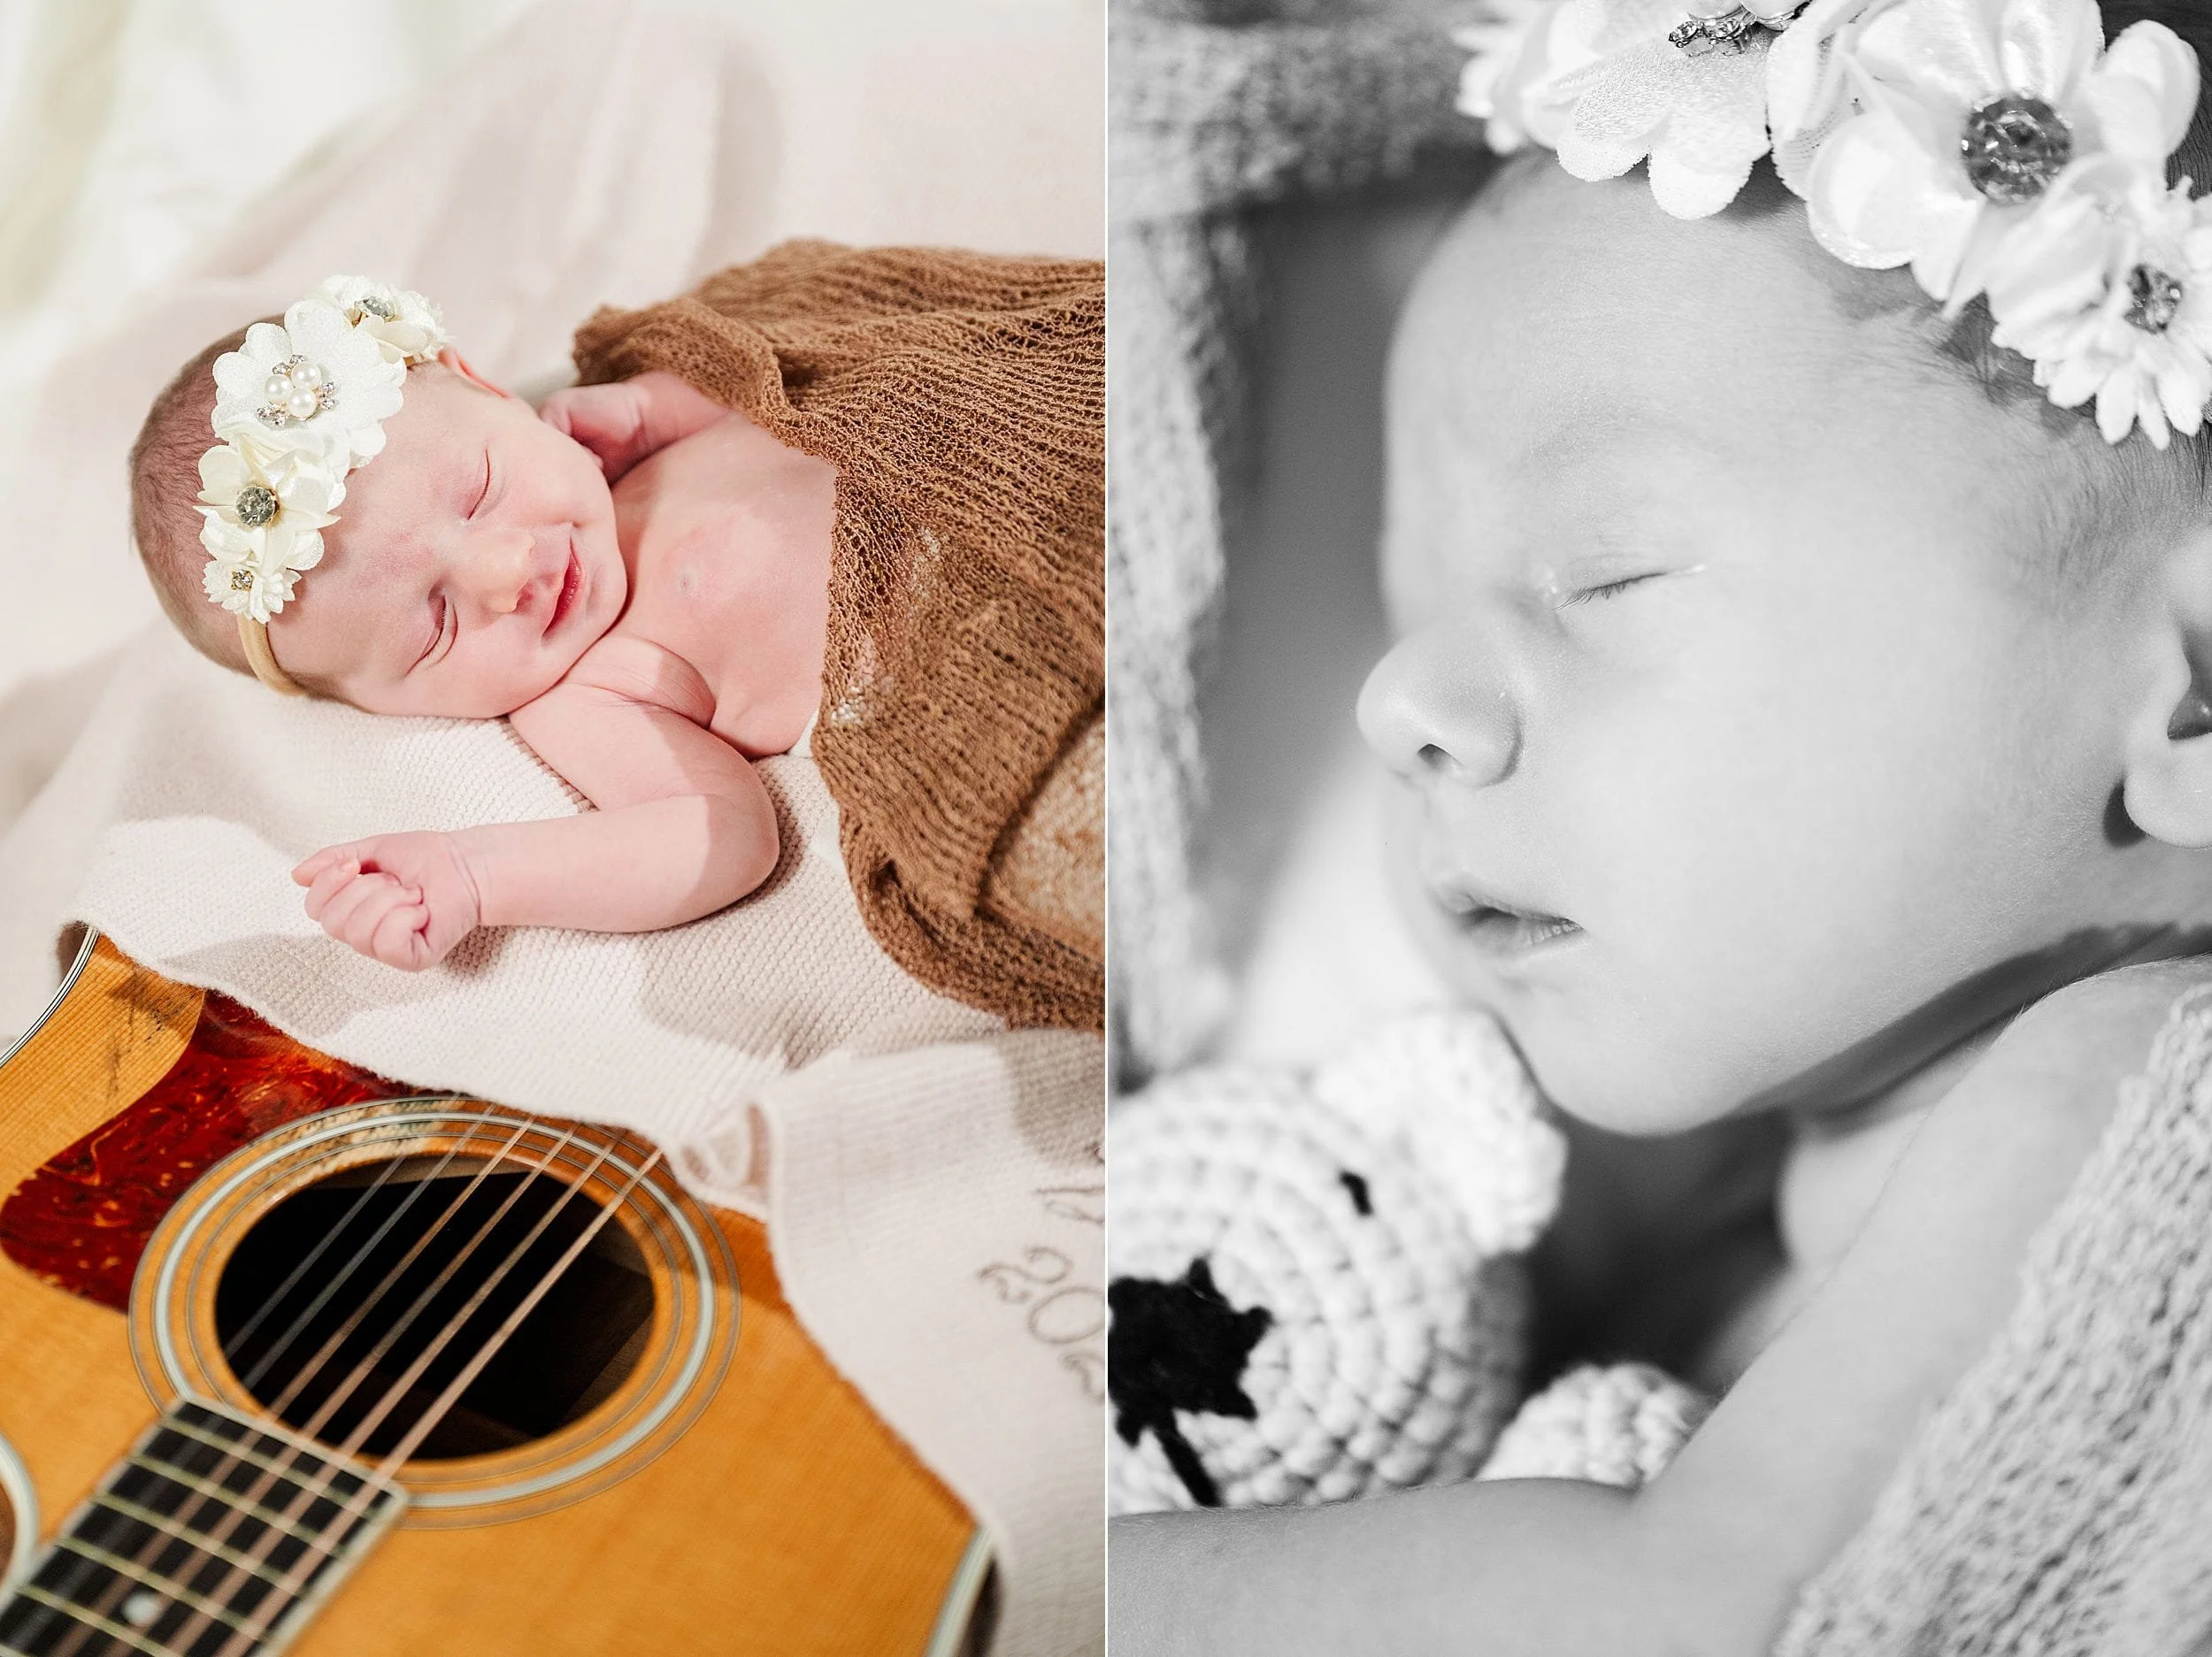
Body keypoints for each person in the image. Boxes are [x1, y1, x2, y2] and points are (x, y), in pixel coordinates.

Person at [1110, 0, 2212, 1649]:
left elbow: (1689, 1615)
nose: (1401, 699)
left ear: (2192, 701)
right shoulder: (1744, 1195)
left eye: (1606, 575)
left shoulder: (2138, 1077)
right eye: (1408, 599)